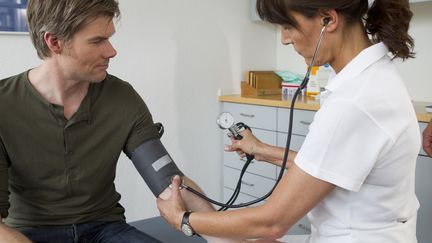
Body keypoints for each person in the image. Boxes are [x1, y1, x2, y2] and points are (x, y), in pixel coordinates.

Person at [157, 0, 421, 242]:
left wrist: (183, 220)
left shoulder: (354, 102)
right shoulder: (371, 80)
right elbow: (328, 165)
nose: (283, 39)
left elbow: (272, 223)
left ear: (328, 19)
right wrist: (262, 151)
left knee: (247, 236)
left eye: (286, 26)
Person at [0, 0, 236, 242]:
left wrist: (226, 239)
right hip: (28, 232)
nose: (111, 51)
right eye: (97, 41)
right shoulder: (4, 104)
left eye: (109, 38)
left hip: (104, 229)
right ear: (54, 42)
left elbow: (170, 182)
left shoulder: (122, 98)